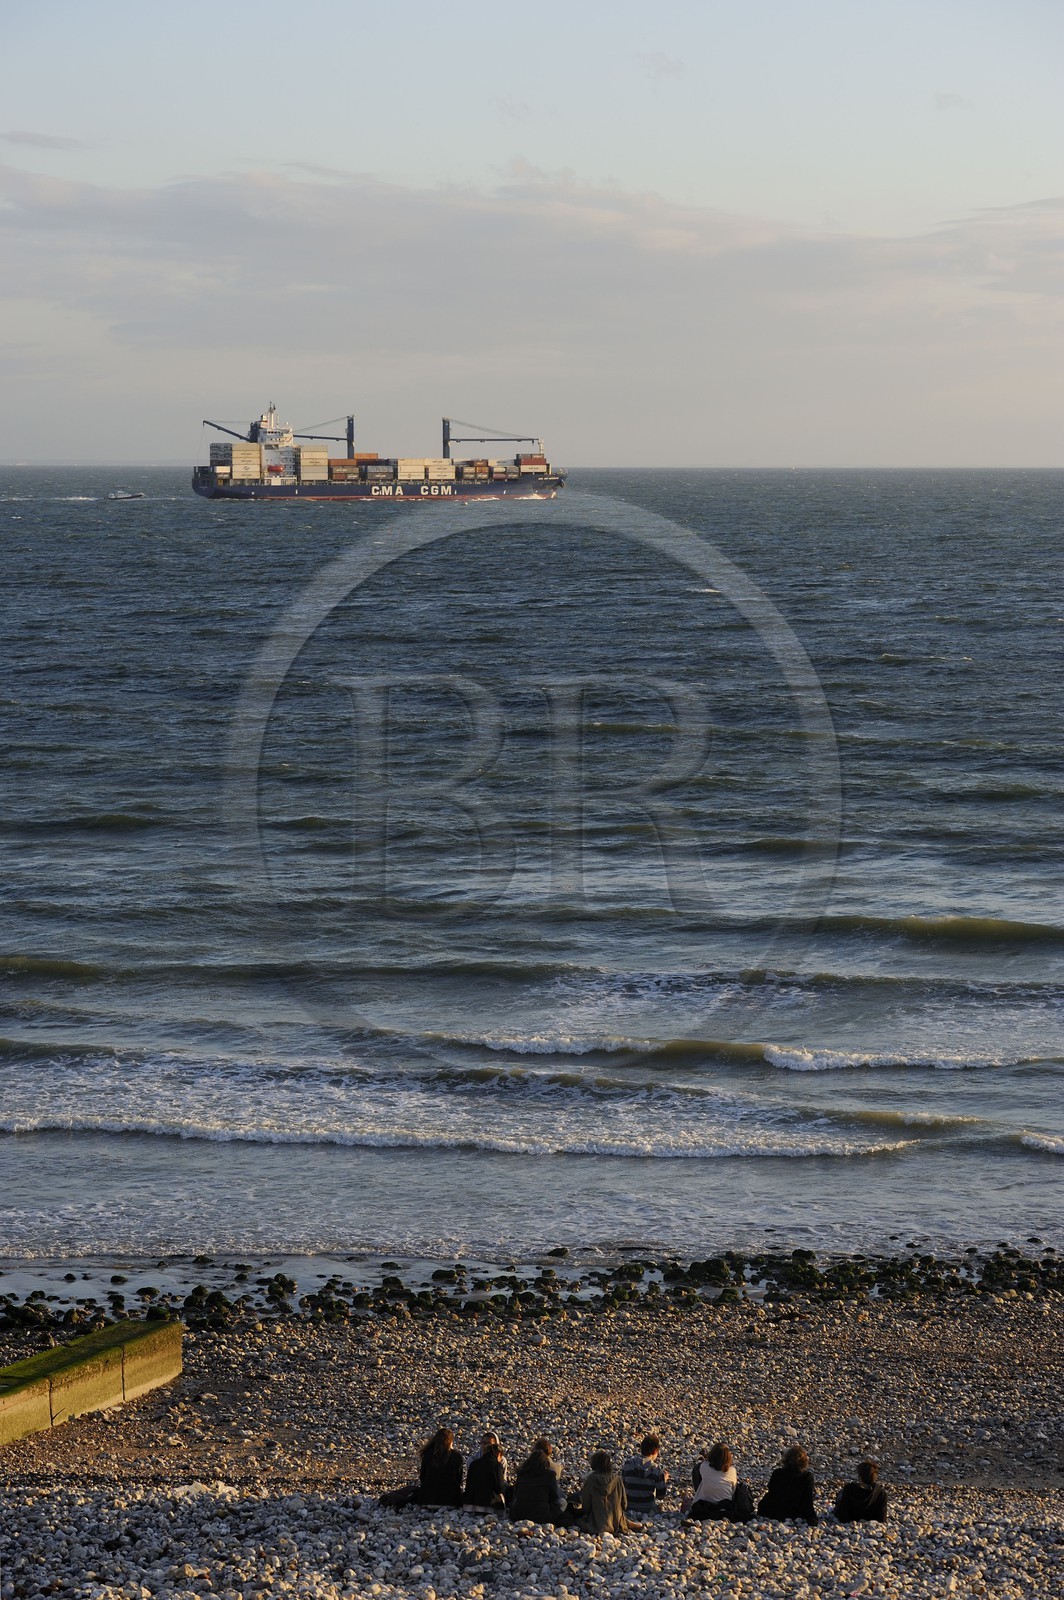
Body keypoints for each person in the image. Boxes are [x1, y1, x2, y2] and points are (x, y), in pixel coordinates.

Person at [758, 1444, 818, 1526]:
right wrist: (812, 1519)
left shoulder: (777, 1473)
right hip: (795, 1512)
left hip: (774, 1511)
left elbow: (772, 1492)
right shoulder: (807, 1477)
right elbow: (808, 1500)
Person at [576, 1450, 630, 1536]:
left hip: (597, 1524)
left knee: (577, 1521)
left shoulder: (590, 1480)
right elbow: (624, 1504)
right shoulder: (617, 1479)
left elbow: (586, 1507)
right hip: (617, 1524)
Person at [509, 1446, 565, 1525]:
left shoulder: (522, 1474)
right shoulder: (549, 1475)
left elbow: (516, 1494)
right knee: (563, 1502)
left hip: (518, 1514)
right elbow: (553, 1497)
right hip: (541, 1516)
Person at [621, 1434, 669, 1518]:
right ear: (655, 1451)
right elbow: (661, 1496)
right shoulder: (657, 1470)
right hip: (647, 1508)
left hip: (628, 1506)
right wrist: (663, 1480)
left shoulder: (628, 1464)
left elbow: (622, 1485)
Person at [688, 1442, 738, 1520]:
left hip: (704, 1503)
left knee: (697, 1471)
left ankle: (699, 1493)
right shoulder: (732, 1470)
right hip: (725, 1505)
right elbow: (733, 1490)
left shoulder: (703, 1466)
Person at [417, 1426, 464, 1508]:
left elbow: (422, 1477)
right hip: (451, 1501)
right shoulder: (456, 1456)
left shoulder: (427, 1455)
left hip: (427, 1499)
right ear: (450, 1442)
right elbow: (458, 1479)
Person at [464, 1437, 507, 1512]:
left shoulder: (473, 1463)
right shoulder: (497, 1465)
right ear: (498, 1455)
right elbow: (499, 1488)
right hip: (488, 1506)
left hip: (470, 1504)